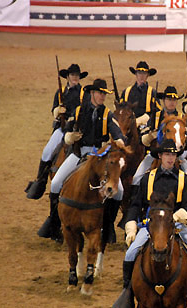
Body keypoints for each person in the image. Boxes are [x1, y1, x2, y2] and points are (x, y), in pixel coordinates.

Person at [119, 139, 187, 308]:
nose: (170, 158)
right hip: (150, 226)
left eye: (173, 155)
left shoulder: (185, 180)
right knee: (130, 253)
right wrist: (130, 225)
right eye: (167, 154)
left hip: (177, 225)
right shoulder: (147, 178)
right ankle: (127, 290)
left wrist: (175, 217)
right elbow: (136, 204)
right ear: (160, 156)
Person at [37, 79, 127, 244]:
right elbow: (66, 129)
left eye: (104, 94)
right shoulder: (79, 111)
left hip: (100, 157)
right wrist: (68, 137)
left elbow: (116, 130)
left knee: (119, 191)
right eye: (100, 93)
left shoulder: (108, 114)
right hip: (80, 154)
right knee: (56, 183)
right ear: (92, 93)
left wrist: (120, 139)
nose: (102, 97)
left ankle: (108, 227)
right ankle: (54, 222)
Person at [25, 63, 88, 200]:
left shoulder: (84, 93)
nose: (75, 78)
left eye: (77, 75)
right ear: (67, 77)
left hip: (77, 130)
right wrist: (57, 111)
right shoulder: (60, 93)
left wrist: (73, 117)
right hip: (62, 128)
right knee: (47, 151)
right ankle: (40, 180)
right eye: (72, 75)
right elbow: (53, 109)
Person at [133, 86, 187, 191]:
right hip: (155, 155)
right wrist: (149, 137)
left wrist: (184, 142)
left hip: (176, 156)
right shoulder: (155, 116)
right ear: (163, 101)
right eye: (169, 99)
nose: (171, 102)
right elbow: (142, 136)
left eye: (174, 100)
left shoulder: (181, 118)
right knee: (136, 178)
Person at [120, 61, 161, 128]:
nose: (141, 76)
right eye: (139, 73)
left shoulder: (152, 92)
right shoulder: (126, 92)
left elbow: (158, 112)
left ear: (147, 75)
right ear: (136, 74)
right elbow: (120, 109)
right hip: (128, 126)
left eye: (144, 73)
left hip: (146, 127)